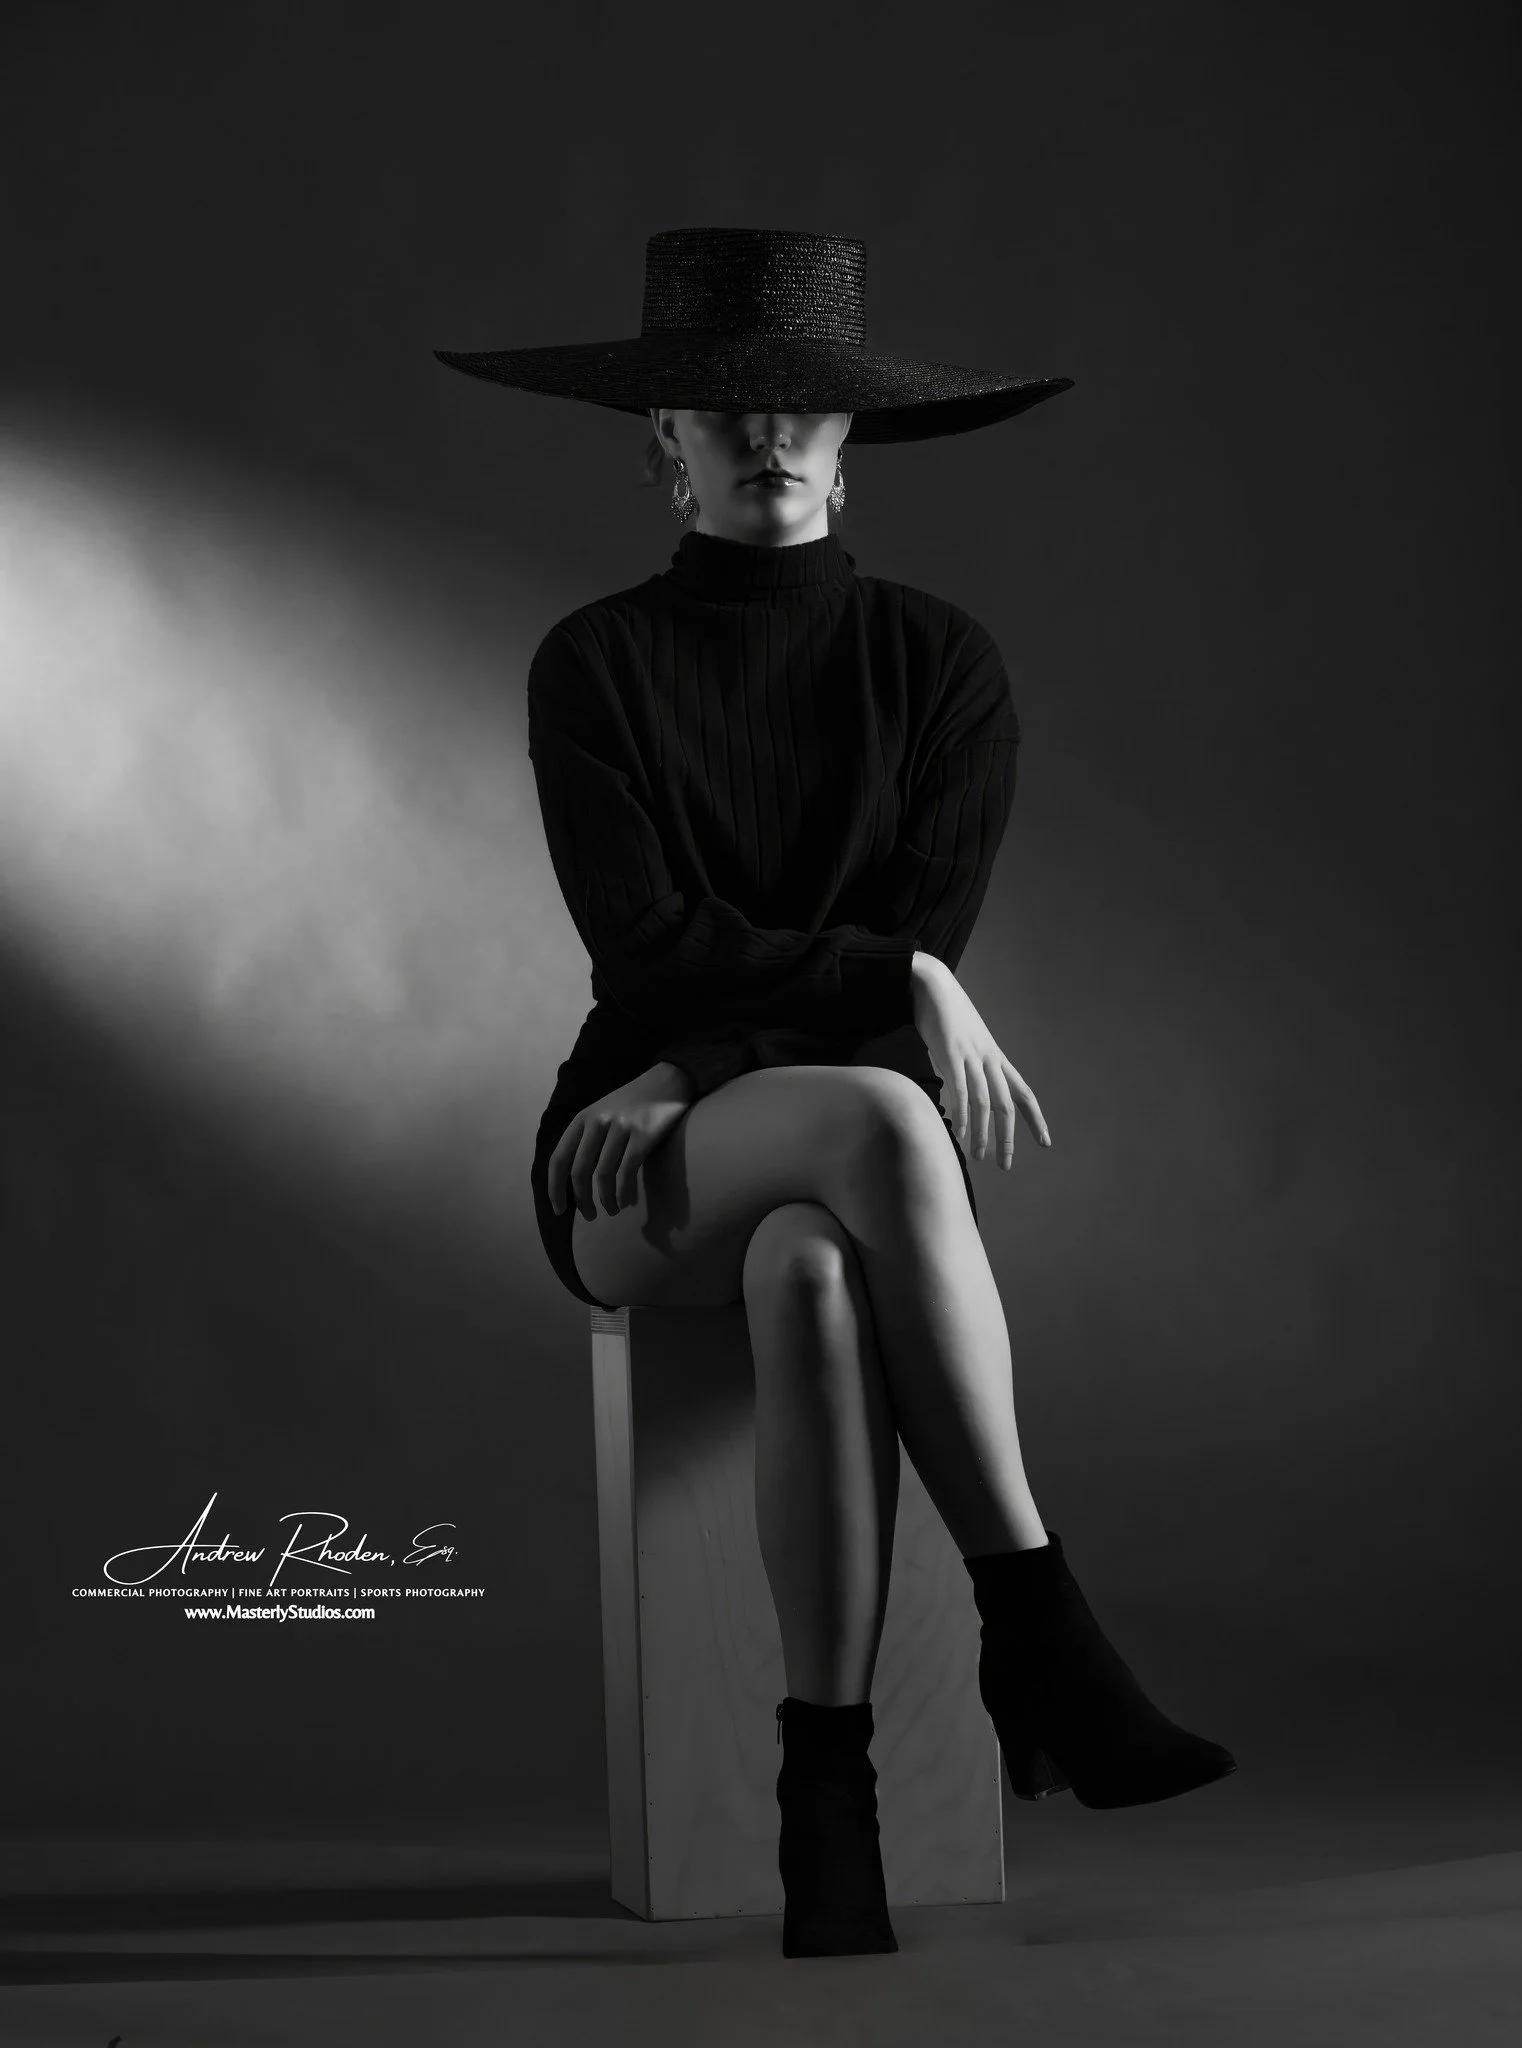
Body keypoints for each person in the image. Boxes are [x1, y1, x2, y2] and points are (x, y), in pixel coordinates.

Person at [434, 227, 1236, 1960]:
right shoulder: (595, 661)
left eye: (801, 405)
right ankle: (1038, 1629)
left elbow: (897, 950)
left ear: (854, 434)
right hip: (625, 1152)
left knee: (815, 1263)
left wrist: (722, 1050)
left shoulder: (940, 663)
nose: (767, 434)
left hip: (724, 1110)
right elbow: (656, 945)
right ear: (664, 433)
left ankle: (829, 1798)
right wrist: (845, 994)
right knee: (879, 1120)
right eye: (726, 406)